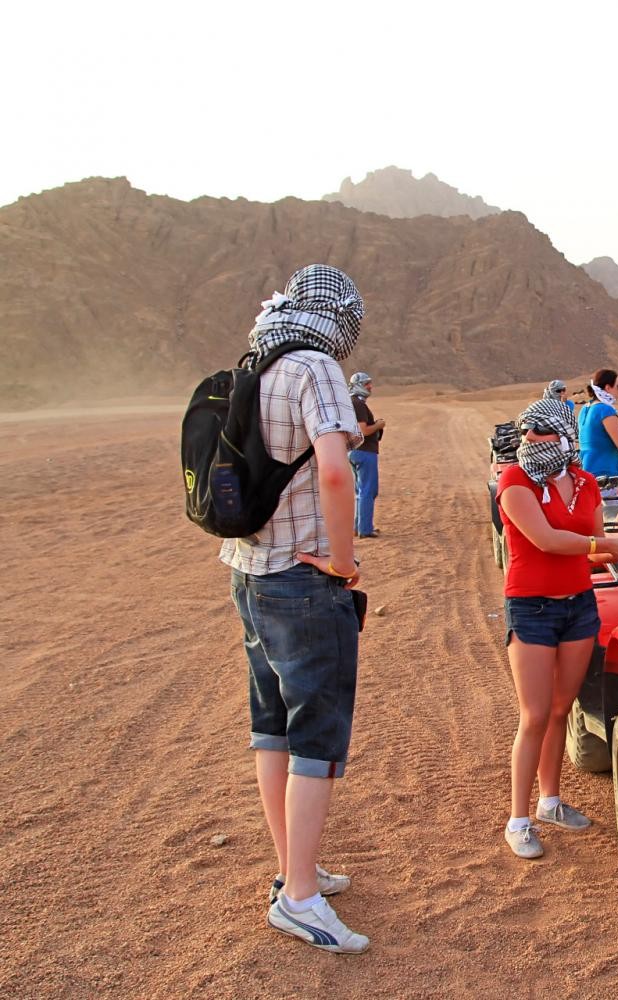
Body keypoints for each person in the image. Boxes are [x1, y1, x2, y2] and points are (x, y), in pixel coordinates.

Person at [221, 264, 371, 953]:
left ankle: (294, 872)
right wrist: (343, 562)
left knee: (271, 727)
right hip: (303, 581)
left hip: (249, 572)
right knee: (315, 738)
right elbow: (336, 472)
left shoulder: (257, 359)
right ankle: (301, 900)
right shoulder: (315, 366)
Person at [498, 397, 618, 859]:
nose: (530, 442)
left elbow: (593, 553)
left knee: (561, 709)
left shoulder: (585, 482)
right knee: (534, 714)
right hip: (531, 609)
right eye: (526, 434)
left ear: (562, 436)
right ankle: (518, 819)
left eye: (540, 434)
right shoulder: (514, 480)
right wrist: (606, 542)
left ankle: (550, 802)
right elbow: (547, 540)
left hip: (579, 606)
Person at [578, 368, 618, 479]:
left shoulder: (586, 408)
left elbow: (601, 436)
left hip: (587, 468)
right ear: (607, 387)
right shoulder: (605, 410)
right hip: (603, 471)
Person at [347, 372, 385, 539]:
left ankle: (358, 527)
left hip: (355, 452)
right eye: (366, 383)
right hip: (364, 451)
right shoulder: (358, 404)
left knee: (361, 491)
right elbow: (363, 430)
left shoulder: (352, 403)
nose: (370, 386)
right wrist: (378, 425)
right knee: (368, 491)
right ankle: (365, 529)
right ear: (357, 385)